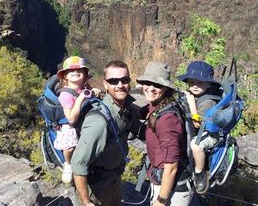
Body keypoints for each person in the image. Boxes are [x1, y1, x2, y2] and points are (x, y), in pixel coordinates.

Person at [71, 60, 145, 206]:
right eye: (113, 81)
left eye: (124, 80)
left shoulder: (127, 109)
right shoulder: (99, 121)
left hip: (114, 179)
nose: (120, 85)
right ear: (105, 84)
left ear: (129, 82)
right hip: (96, 189)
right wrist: (86, 202)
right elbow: (78, 163)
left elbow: (141, 131)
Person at [137, 61, 194, 206]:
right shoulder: (159, 105)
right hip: (163, 180)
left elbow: (171, 166)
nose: (150, 88)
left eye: (157, 85)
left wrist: (161, 200)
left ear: (166, 89)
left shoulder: (167, 120)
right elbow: (140, 112)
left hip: (171, 189)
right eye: (147, 82)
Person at [177, 61, 221, 194]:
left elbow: (199, 124)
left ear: (209, 84)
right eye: (191, 83)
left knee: (195, 146)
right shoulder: (197, 94)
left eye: (200, 83)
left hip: (211, 134)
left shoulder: (208, 101)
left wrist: (191, 103)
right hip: (200, 130)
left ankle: (200, 172)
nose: (195, 86)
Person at [54, 56, 94, 184]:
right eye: (71, 71)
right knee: (70, 143)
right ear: (65, 76)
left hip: (84, 120)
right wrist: (81, 98)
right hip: (69, 124)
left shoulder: (85, 88)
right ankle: (68, 164)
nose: (75, 72)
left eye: (79, 70)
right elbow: (71, 118)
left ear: (84, 74)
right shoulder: (65, 94)